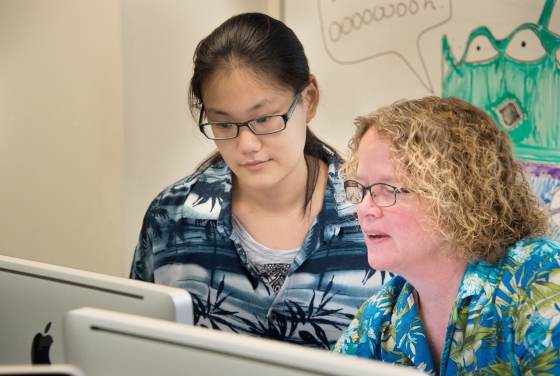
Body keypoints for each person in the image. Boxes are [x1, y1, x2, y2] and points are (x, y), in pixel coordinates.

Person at [129, 13, 385, 349]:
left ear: (308, 99)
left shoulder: (375, 213)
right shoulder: (172, 219)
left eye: (264, 118)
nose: (246, 145)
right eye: (223, 125)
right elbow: (135, 351)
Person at [332, 96, 560, 374]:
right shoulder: (380, 317)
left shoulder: (539, 280)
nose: (365, 208)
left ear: (457, 198)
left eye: (389, 189)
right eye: (363, 188)